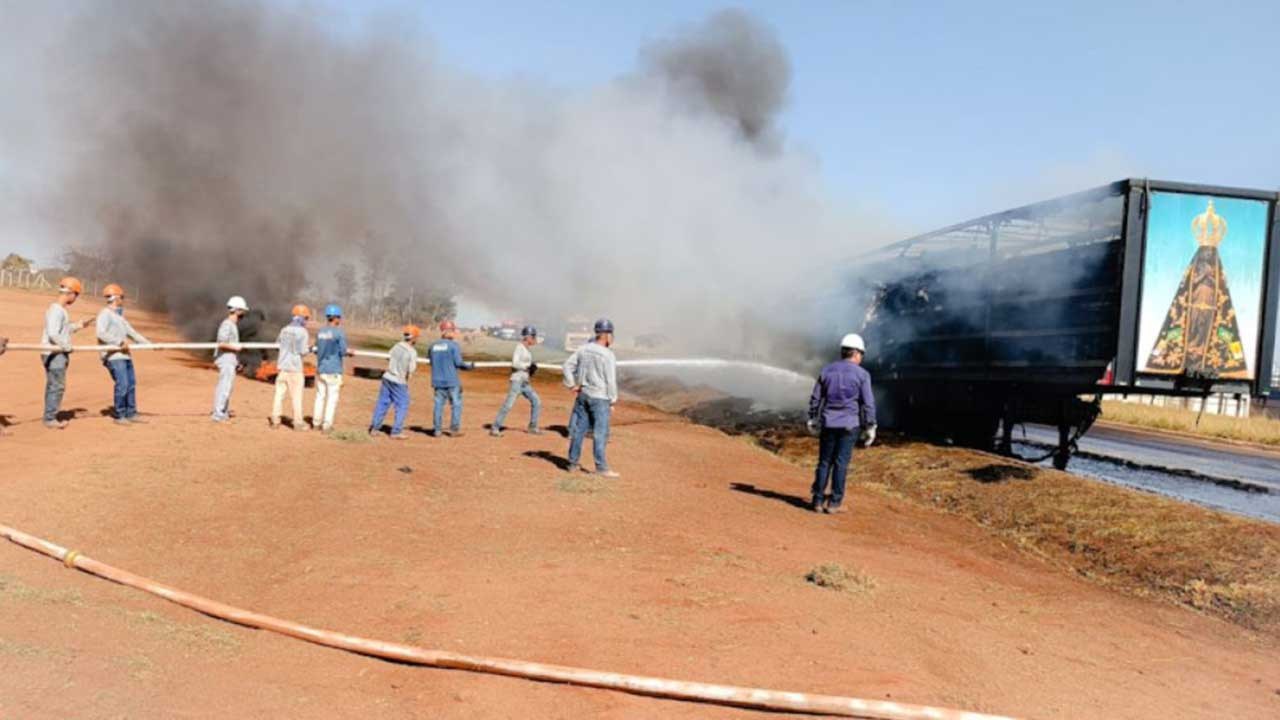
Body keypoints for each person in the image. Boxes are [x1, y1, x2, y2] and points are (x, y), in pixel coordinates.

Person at [807, 333, 877, 514]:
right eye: (861, 354)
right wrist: (870, 426)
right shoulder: (862, 375)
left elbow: (816, 397)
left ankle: (817, 500)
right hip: (849, 425)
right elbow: (868, 403)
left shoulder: (827, 370)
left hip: (828, 423)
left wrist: (813, 418)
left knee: (824, 462)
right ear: (856, 354)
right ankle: (834, 503)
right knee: (841, 463)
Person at [562, 318, 619, 477]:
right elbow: (610, 380)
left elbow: (567, 366)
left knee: (579, 430)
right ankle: (601, 468)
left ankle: (572, 463)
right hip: (600, 398)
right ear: (607, 335)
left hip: (583, 395)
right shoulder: (608, 354)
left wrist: (572, 385)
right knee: (600, 434)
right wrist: (612, 400)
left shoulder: (583, 349)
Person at [41, 277, 93, 429]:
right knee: (57, 386)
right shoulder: (57, 310)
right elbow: (53, 333)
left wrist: (80, 325)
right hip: (55, 353)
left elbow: (63, 330)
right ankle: (50, 418)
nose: (75, 298)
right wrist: (66, 346)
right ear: (71, 293)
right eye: (76, 295)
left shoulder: (59, 310)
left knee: (53, 385)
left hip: (55, 352)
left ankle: (49, 415)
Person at [96, 283, 151, 425]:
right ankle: (120, 414)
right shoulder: (105, 314)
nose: (123, 300)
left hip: (125, 355)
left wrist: (149, 344)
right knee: (123, 384)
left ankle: (131, 413)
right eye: (122, 297)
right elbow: (101, 333)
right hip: (113, 356)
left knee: (131, 384)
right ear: (116, 297)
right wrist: (119, 342)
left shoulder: (119, 317)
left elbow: (132, 333)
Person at [490, 325, 543, 437]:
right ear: (527, 337)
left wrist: (530, 370)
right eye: (532, 336)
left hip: (525, 382)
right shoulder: (519, 348)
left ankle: (533, 426)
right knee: (508, 405)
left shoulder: (527, 350)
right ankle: (495, 427)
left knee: (536, 401)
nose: (534, 339)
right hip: (517, 382)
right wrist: (528, 366)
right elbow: (515, 363)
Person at [369, 325, 420, 440]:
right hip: (399, 381)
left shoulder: (397, 345)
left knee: (382, 403)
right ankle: (396, 431)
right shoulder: (412, 352)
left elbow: (389, 357)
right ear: (414, 338)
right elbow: (411, 369)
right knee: (403, 404)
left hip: (387, 377)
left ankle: (375, 428)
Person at [311, 303, 352, 433]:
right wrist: (350, 352)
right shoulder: (339, 333)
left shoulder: (321, 332)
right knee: (331, 399)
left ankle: (316, 423)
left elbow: (316, 348)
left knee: (320, 397)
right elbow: (343, 351)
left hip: (321, 368)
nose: (340, 320)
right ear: (336, 318)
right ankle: (327, 425)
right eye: (339, 317)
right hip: (333, 369)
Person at [429, 320, 474, 437]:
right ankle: (454, 429)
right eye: (453, 330)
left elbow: (431, 361)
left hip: (437, 381)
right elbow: (459, 363)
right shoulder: (453, 345)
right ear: (449, 331)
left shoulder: (433, 346)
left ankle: (437, 430)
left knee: (438, 405)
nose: (454, 333)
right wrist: (469, 367)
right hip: (452, 381)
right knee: (456, 405)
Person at [271, 303, 311, 431]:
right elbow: (303, 351)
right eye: (306, 318)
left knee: (278, 396)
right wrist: (310, 349)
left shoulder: (284, 330)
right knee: (296, 397)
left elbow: (277, 345)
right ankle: (298, 423)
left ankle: (275, 420)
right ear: (301, 317)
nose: (306, 321)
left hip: (282, 369)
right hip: (295, 370)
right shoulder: (303, 332)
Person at [211, 296, 248, 423]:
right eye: (242, 310)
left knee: (227, 387)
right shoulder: (227, 324)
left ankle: (223, 411)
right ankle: (218, 414)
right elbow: (221, 343)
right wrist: (236, 348)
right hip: (225, 359)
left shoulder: (232, 325)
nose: (243, 313)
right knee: (224, 387)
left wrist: (236, 361)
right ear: (237, 310)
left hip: (230, 359)